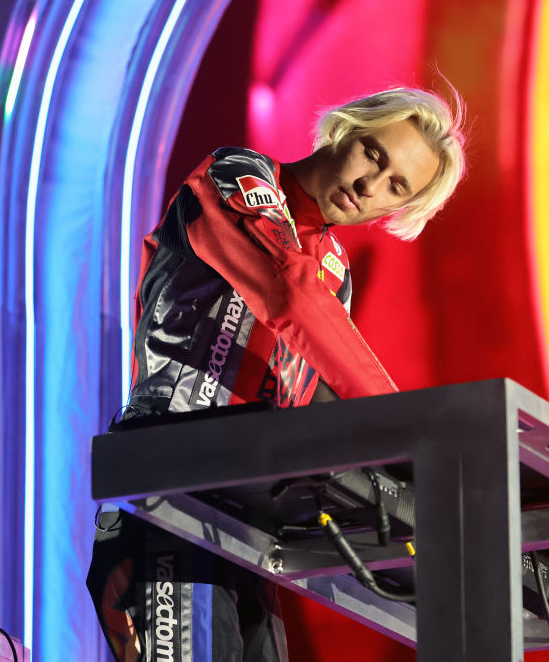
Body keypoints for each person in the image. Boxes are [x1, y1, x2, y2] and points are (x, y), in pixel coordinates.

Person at [87, 87, 466, 662]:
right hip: (164, 487)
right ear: (345, 127)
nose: (370, 186)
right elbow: (288, 292)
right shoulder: (237, 174)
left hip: (247, 523)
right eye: (373, 154)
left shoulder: (334, 271)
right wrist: (409, 429)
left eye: (396, 187)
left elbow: (319, 405)